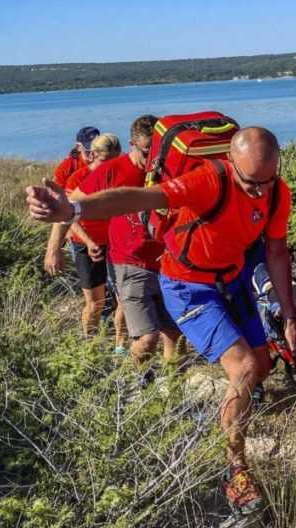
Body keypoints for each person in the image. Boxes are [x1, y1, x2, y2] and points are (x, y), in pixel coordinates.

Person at [26, 127, 296, 515]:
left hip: (231, 278)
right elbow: (139, 197)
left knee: (262, 363)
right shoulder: (208, 180)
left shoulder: (277, 192)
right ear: (231, 163)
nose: (259, 192)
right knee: (244, 366)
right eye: (250, 183)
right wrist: (74, 211)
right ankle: (235, 470)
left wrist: (288, 315)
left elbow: (276, 252)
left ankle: (234, 417)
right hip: (188, 284)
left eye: (267, 181)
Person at [75, 115, 180, 363]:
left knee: (174, 334)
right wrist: (55, 247)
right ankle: (134, 382)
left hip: (168, 263)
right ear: (132, 144)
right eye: (146, 152)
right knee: (147, 338)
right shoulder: (114, 169)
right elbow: (72, 205)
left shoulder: (168, 169)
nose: (152, 160)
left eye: (157, 153)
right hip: (130, 261)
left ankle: (170, 386)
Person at [43, 133, 126, 342]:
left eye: (114, 161)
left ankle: (120, 346)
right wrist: (88, 242)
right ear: (93, 155)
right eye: (105, 161)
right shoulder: (78, 177)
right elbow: (69, 216)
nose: (109, 166)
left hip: (116, 243)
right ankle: (89, 344)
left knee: (123, 300)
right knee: (95, 302)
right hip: (85, 243)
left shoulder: (121, 174)